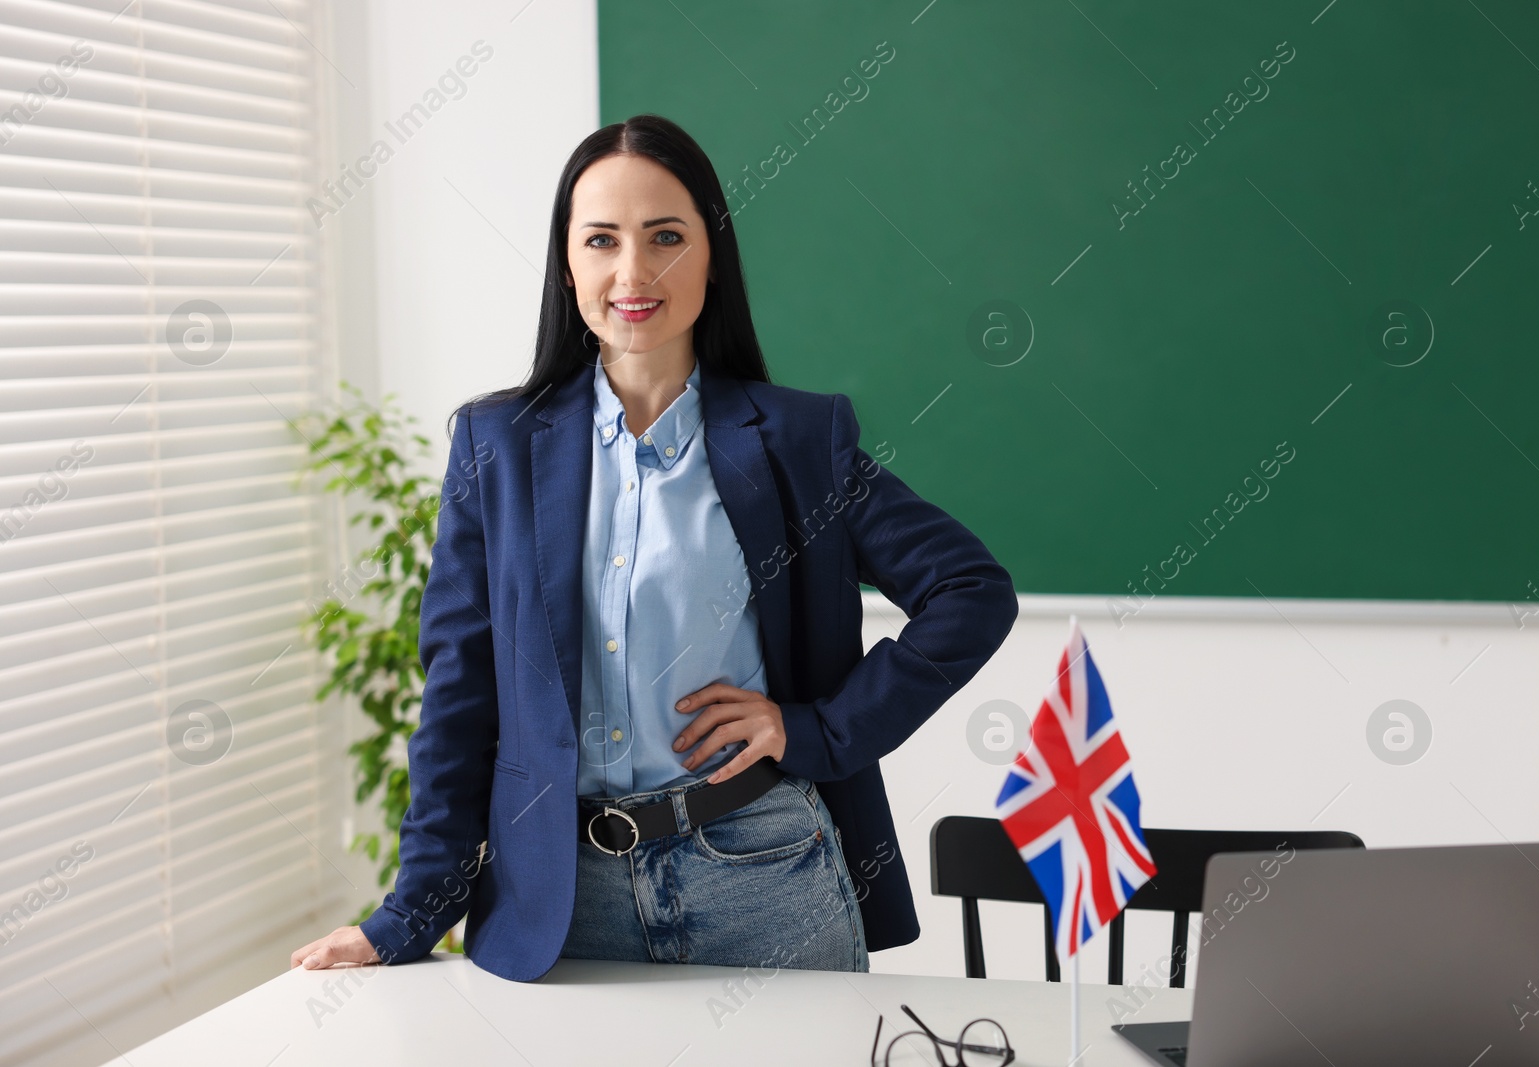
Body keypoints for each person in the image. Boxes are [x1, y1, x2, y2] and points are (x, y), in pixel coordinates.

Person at [291, 113, 1017, 981]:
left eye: (666, 237)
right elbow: (459, 693)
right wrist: (406, 916)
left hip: (765, 874)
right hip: (561, 899)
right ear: (568, 262)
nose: (632, 272)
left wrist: (818, 729)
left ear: (713, 254)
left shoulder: (796, 441)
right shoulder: (496, 448)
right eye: (601, 240)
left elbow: (971, 589)